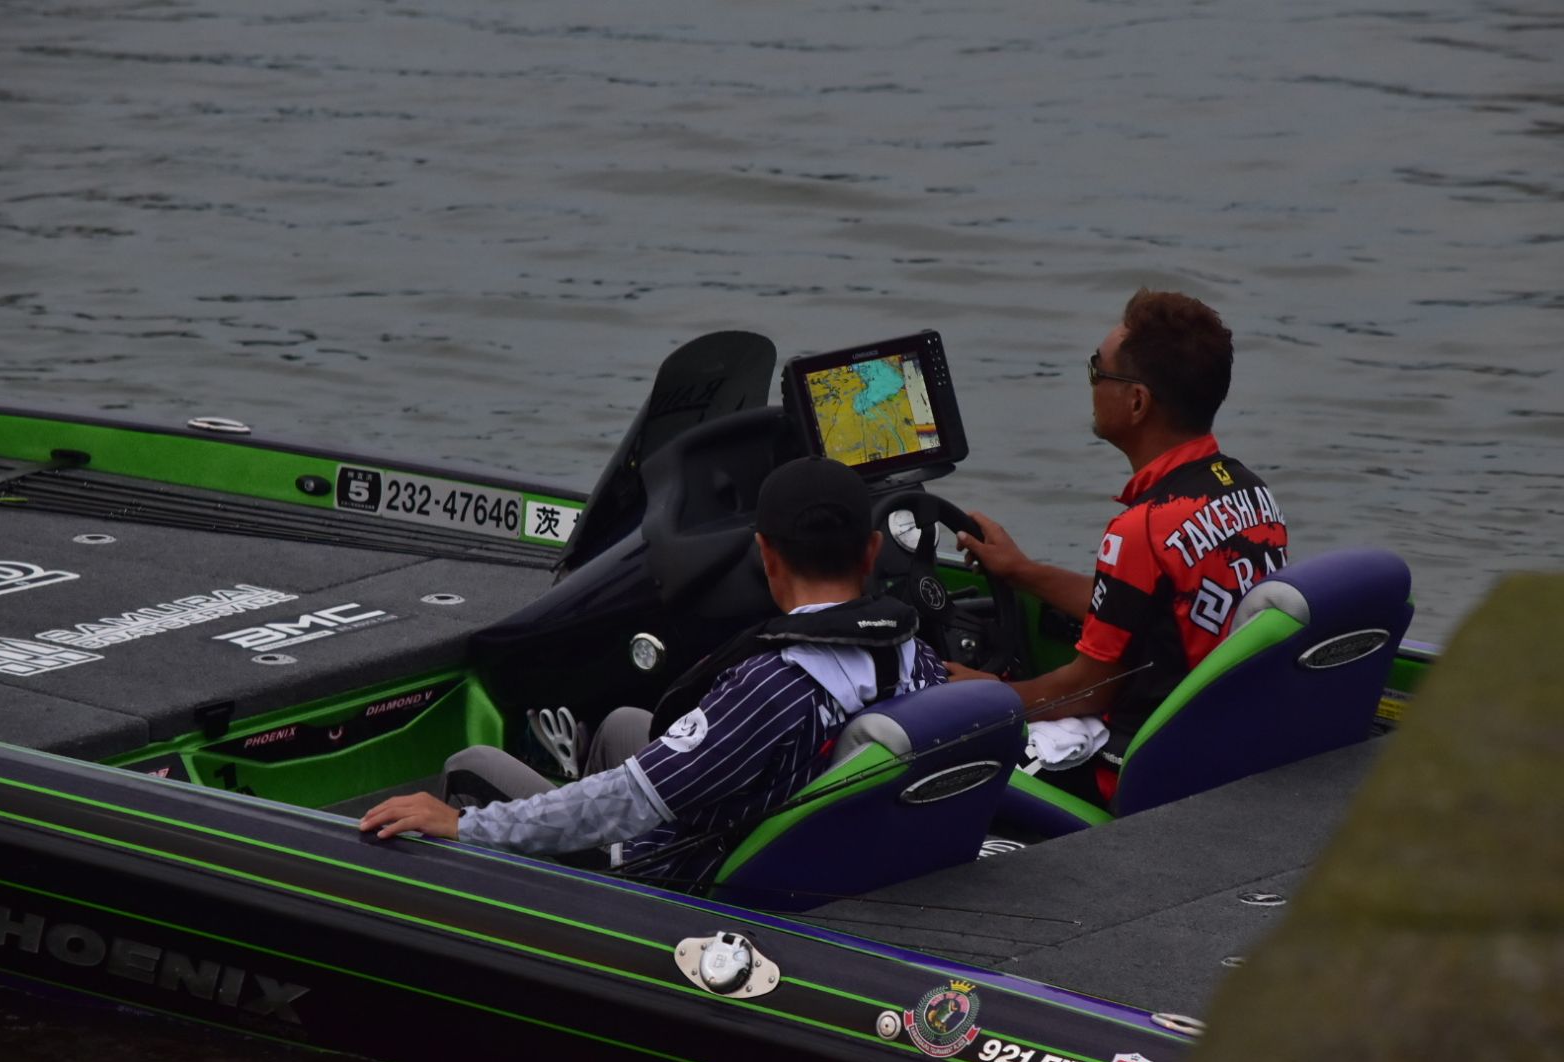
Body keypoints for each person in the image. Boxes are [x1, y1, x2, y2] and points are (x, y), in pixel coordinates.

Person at [360, 456, 949, 888]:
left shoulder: (775, 687)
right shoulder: (911, 655)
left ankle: (538, 910)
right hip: (800, 840)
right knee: (623, 723)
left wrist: (465, 824)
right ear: (872, 550)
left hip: (679, 872)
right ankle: (558, 855)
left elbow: (627, 801)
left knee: (473, 766)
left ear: (766, 554)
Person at [949, 289, 1288, 806]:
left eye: (1097, 370)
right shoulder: (1251, 493)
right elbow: (1149, 609)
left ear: (1137, 402)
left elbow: (1089, 689)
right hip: (1225, 742)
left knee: (945, 760)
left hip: (1148, 767)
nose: (1091, 384)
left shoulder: (1142, 527)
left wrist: (983, 696)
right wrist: (1022, 572)